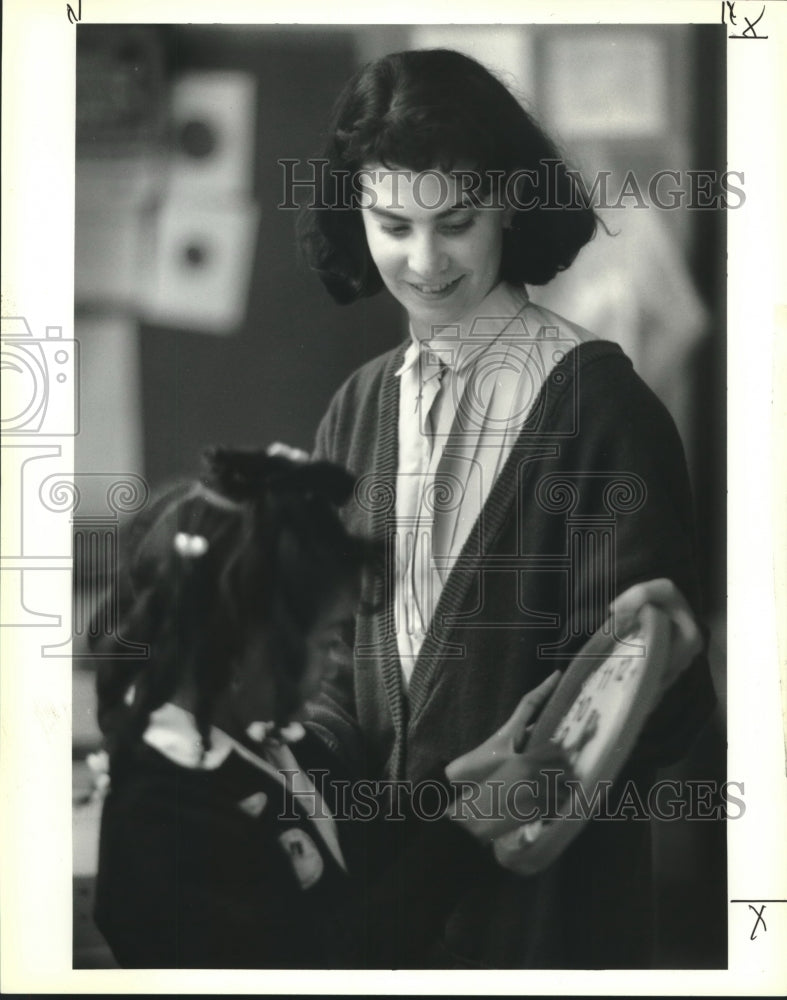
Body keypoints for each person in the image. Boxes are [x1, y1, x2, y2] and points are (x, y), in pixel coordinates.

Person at [298, 48, 717, 968]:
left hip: (545, 926)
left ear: (511, 204)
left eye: (456, 220)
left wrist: (654, 668)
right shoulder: (357, 409)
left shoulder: (600, 409)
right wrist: (297, 764)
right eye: (390, 223)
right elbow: (335, 666)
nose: (423, 259)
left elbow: (656, 713)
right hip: (386, 917)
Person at [91, 444, 569, 969]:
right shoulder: (163, 816)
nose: (337, 664)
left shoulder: (277, 743)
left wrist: (467, 776)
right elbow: (325, 963)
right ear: (240, 644)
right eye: (324, 642)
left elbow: (357, 843)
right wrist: (471, 826)